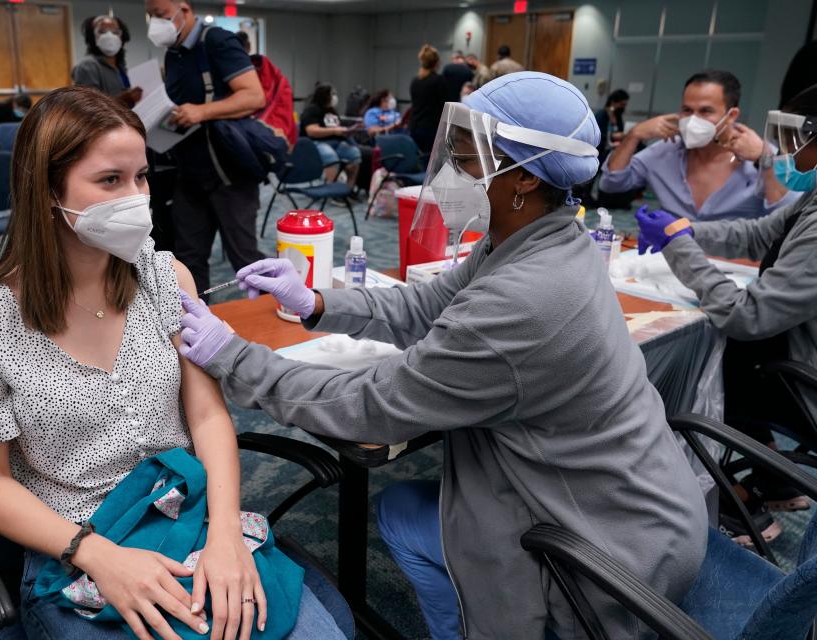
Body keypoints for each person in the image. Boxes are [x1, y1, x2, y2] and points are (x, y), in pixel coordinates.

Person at [178, 72, 707, 640]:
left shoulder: (524, 299)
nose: (451, 167)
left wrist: (231, 356)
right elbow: (428, 302)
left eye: (468, 153)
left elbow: (373, 405)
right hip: (635, 500)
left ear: (523, 178)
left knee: (402, 517)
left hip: (609, 551)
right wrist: (316, 301)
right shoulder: (537, 238)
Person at [0, 85, 344, 640]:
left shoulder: (167, 276)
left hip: (187, 515)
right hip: (73, 542)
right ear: (47, 190)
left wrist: (223, 536)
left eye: (141, 176)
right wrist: (98, 556)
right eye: (110, 180)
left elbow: (208, 417)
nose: (136, 197)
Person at [635, 84, 817, 543]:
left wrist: (679, 247)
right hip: (789, 354)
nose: (787, 152)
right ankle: (777, 480)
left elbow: (746, 316)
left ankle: (743, 510)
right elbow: (758, 234)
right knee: (724, 349)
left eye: (797, 138)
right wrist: (685, 228)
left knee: (693, 361)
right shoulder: (811, 202)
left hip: (802, 381)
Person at [144, 0, 266, 296]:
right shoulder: (173, 55)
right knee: (188, 260)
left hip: (229, 174)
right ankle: (197, 331)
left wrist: (202, 111)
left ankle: (273, 329)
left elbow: (253, 96)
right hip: (189, 173)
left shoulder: (217, 40)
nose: (154, 24)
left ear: (183, 9)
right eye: (150, 17)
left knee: (245, 259)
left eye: (160, 15)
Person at [600, 70, 799, 220]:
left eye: (705, 111)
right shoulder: (666, 150)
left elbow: (788, 214)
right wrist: (634, 135)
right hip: (670, 260)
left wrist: (764, 160)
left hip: (734, 266)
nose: (693, 120)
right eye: (687, 110)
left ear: (731, 115)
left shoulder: (763, 154)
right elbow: (611, 183)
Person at [236, 30, 297, 146]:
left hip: (261, 140)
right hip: (272, 139)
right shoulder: (275, 76)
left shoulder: (272, 77)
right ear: (249, 46)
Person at [72, 15, 143, 107]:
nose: (109, 36)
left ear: (122, 37)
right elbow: (87, 109)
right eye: (102, 31)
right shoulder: (87, 67)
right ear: (92, 37)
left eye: (115, 32)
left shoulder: (119, 66)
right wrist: (121, 101)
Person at [300, 84, 362, 186]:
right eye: (332, 94)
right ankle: (331, 189)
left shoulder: (332, 111)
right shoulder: (312, 110)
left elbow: (337, 127)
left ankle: (348, 189)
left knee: (354, 154)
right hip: (316, 143)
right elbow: (312, 131)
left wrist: (348, 131)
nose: (335, 97)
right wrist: (334, 131)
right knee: (330, 157)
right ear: (324, 95)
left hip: (336, 142)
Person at [409, 44, 447, 153]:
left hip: (414, 127)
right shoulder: (439, 81)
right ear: (437, 63)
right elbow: (443, 106)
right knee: (428, 162)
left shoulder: (415, 81)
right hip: (431, 129)